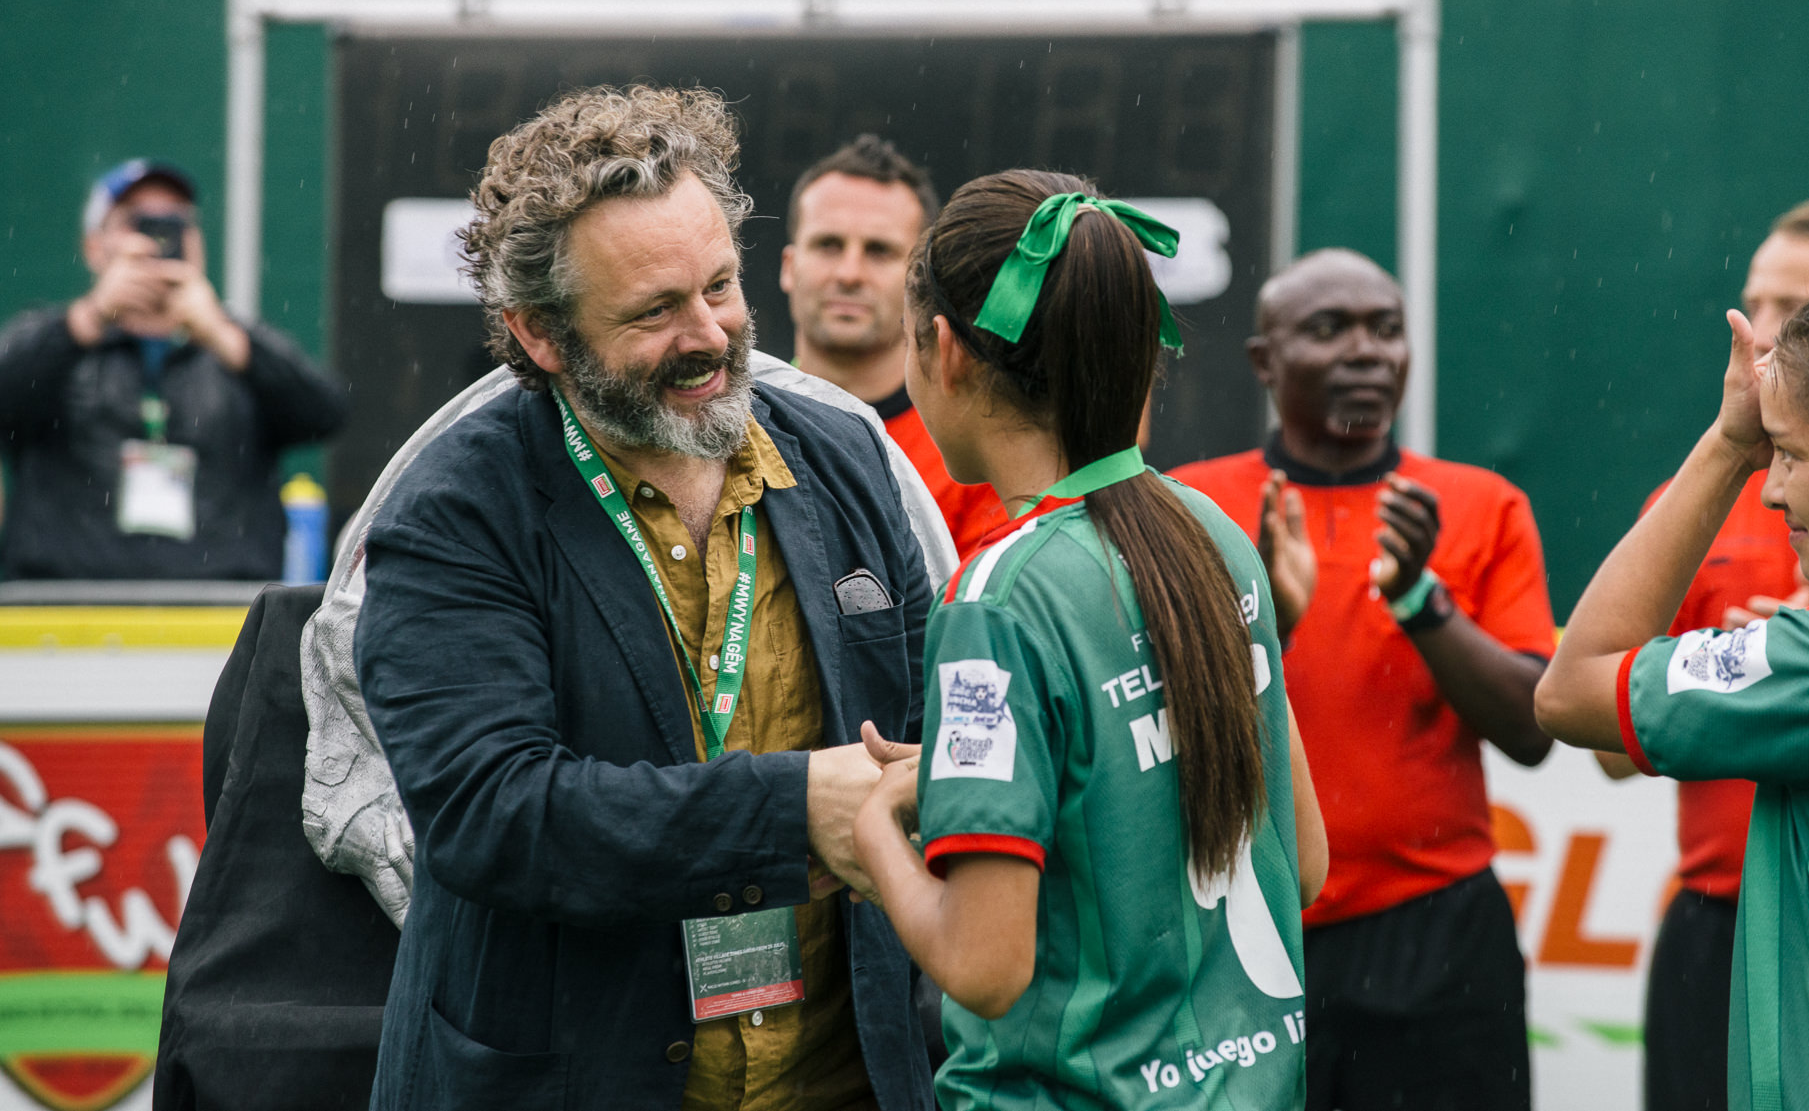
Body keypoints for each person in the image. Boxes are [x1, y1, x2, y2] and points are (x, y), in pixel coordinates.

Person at [351, 86, 934, 1110]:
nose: (709, 335)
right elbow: (494, 815)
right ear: (539, 334)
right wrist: (797, 809)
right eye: (655, 312)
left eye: (720, 286)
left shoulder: (845, 461)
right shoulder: (457, 510)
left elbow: (930, 731)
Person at [853, 170, 1328, 1108]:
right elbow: (1302, 862)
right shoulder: (1213, 531)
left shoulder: (998, 596)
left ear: (943, 352)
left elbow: (985, 967)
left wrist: (875, 826)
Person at [1171, 249, 1556, 1111]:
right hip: (1247, 928)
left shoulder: (1480, 503)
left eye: (1386, 329)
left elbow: (1532, 728)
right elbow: (1158, 731)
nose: (1367, 352)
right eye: (1329, 328)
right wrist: (1269, 619)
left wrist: (1422, 598)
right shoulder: (1189, 509)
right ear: (1265, 361)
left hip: (1441, 937)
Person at [1535, 274, 1809, 1109]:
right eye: (1763, 452)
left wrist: (1724, 442)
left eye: (1789, 452)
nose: (1772, 486)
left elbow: (1570, 689)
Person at [0, 159, 347, 579]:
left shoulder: (233, 349)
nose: (160, 236)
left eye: (176, 222)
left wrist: (222, 334)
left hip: (217, 619)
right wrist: (90, 317)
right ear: (95, 246)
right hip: (66, 619)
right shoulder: (59, 343)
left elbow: (325, 413)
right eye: (140, 222)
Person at [782, 135, 1005, 556]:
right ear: (789, 267)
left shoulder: (970, 454)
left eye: (878, 251)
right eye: (828, 245)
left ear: (919, 279)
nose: (849, 273)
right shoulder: (729, 421)